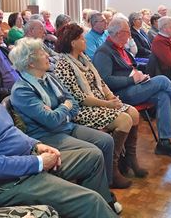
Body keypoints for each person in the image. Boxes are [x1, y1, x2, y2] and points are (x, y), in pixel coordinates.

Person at [0, 44, 143, 218]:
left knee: (92, 157)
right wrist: (39, 162)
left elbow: (10, 131)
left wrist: (36, 145)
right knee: (90, 201)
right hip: (6, 183)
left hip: (25, 162)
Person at [93, 15, 171, 160]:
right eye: (127, 32)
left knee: (163, 95)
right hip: (120, 95)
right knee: (163, 80)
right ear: (118, 33)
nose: (130, 35)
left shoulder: (119, 48)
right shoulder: (104, 52)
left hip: (133, 86)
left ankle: (164, 142)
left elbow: (128, 68)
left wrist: (139, 76)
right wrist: (132, 79)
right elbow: (105, 81)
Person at [8, 38, 119, 190]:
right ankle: (102, 197)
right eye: (42, 53)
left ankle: (103, 186)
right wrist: (64, 107)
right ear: (31, 63)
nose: (48, 56)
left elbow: (73, 104)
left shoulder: (50, 78)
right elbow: (50, 120)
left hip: (66, 126)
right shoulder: (22, 90)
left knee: (106, 140)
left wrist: (61, 111)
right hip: (46, 135)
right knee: (94, 152)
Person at [54, 24, 147, 187]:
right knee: (124, 120)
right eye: (81, 38)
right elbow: (79, 98)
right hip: (82, 110)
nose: (85, 41)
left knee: (133, 113)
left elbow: (101, 82)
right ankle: (112, 169)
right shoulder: (63, 64)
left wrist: (112, 98)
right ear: (72, 42)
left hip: (101, 103)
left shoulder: (83, 58)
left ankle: (129, 159)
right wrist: (108, 104)